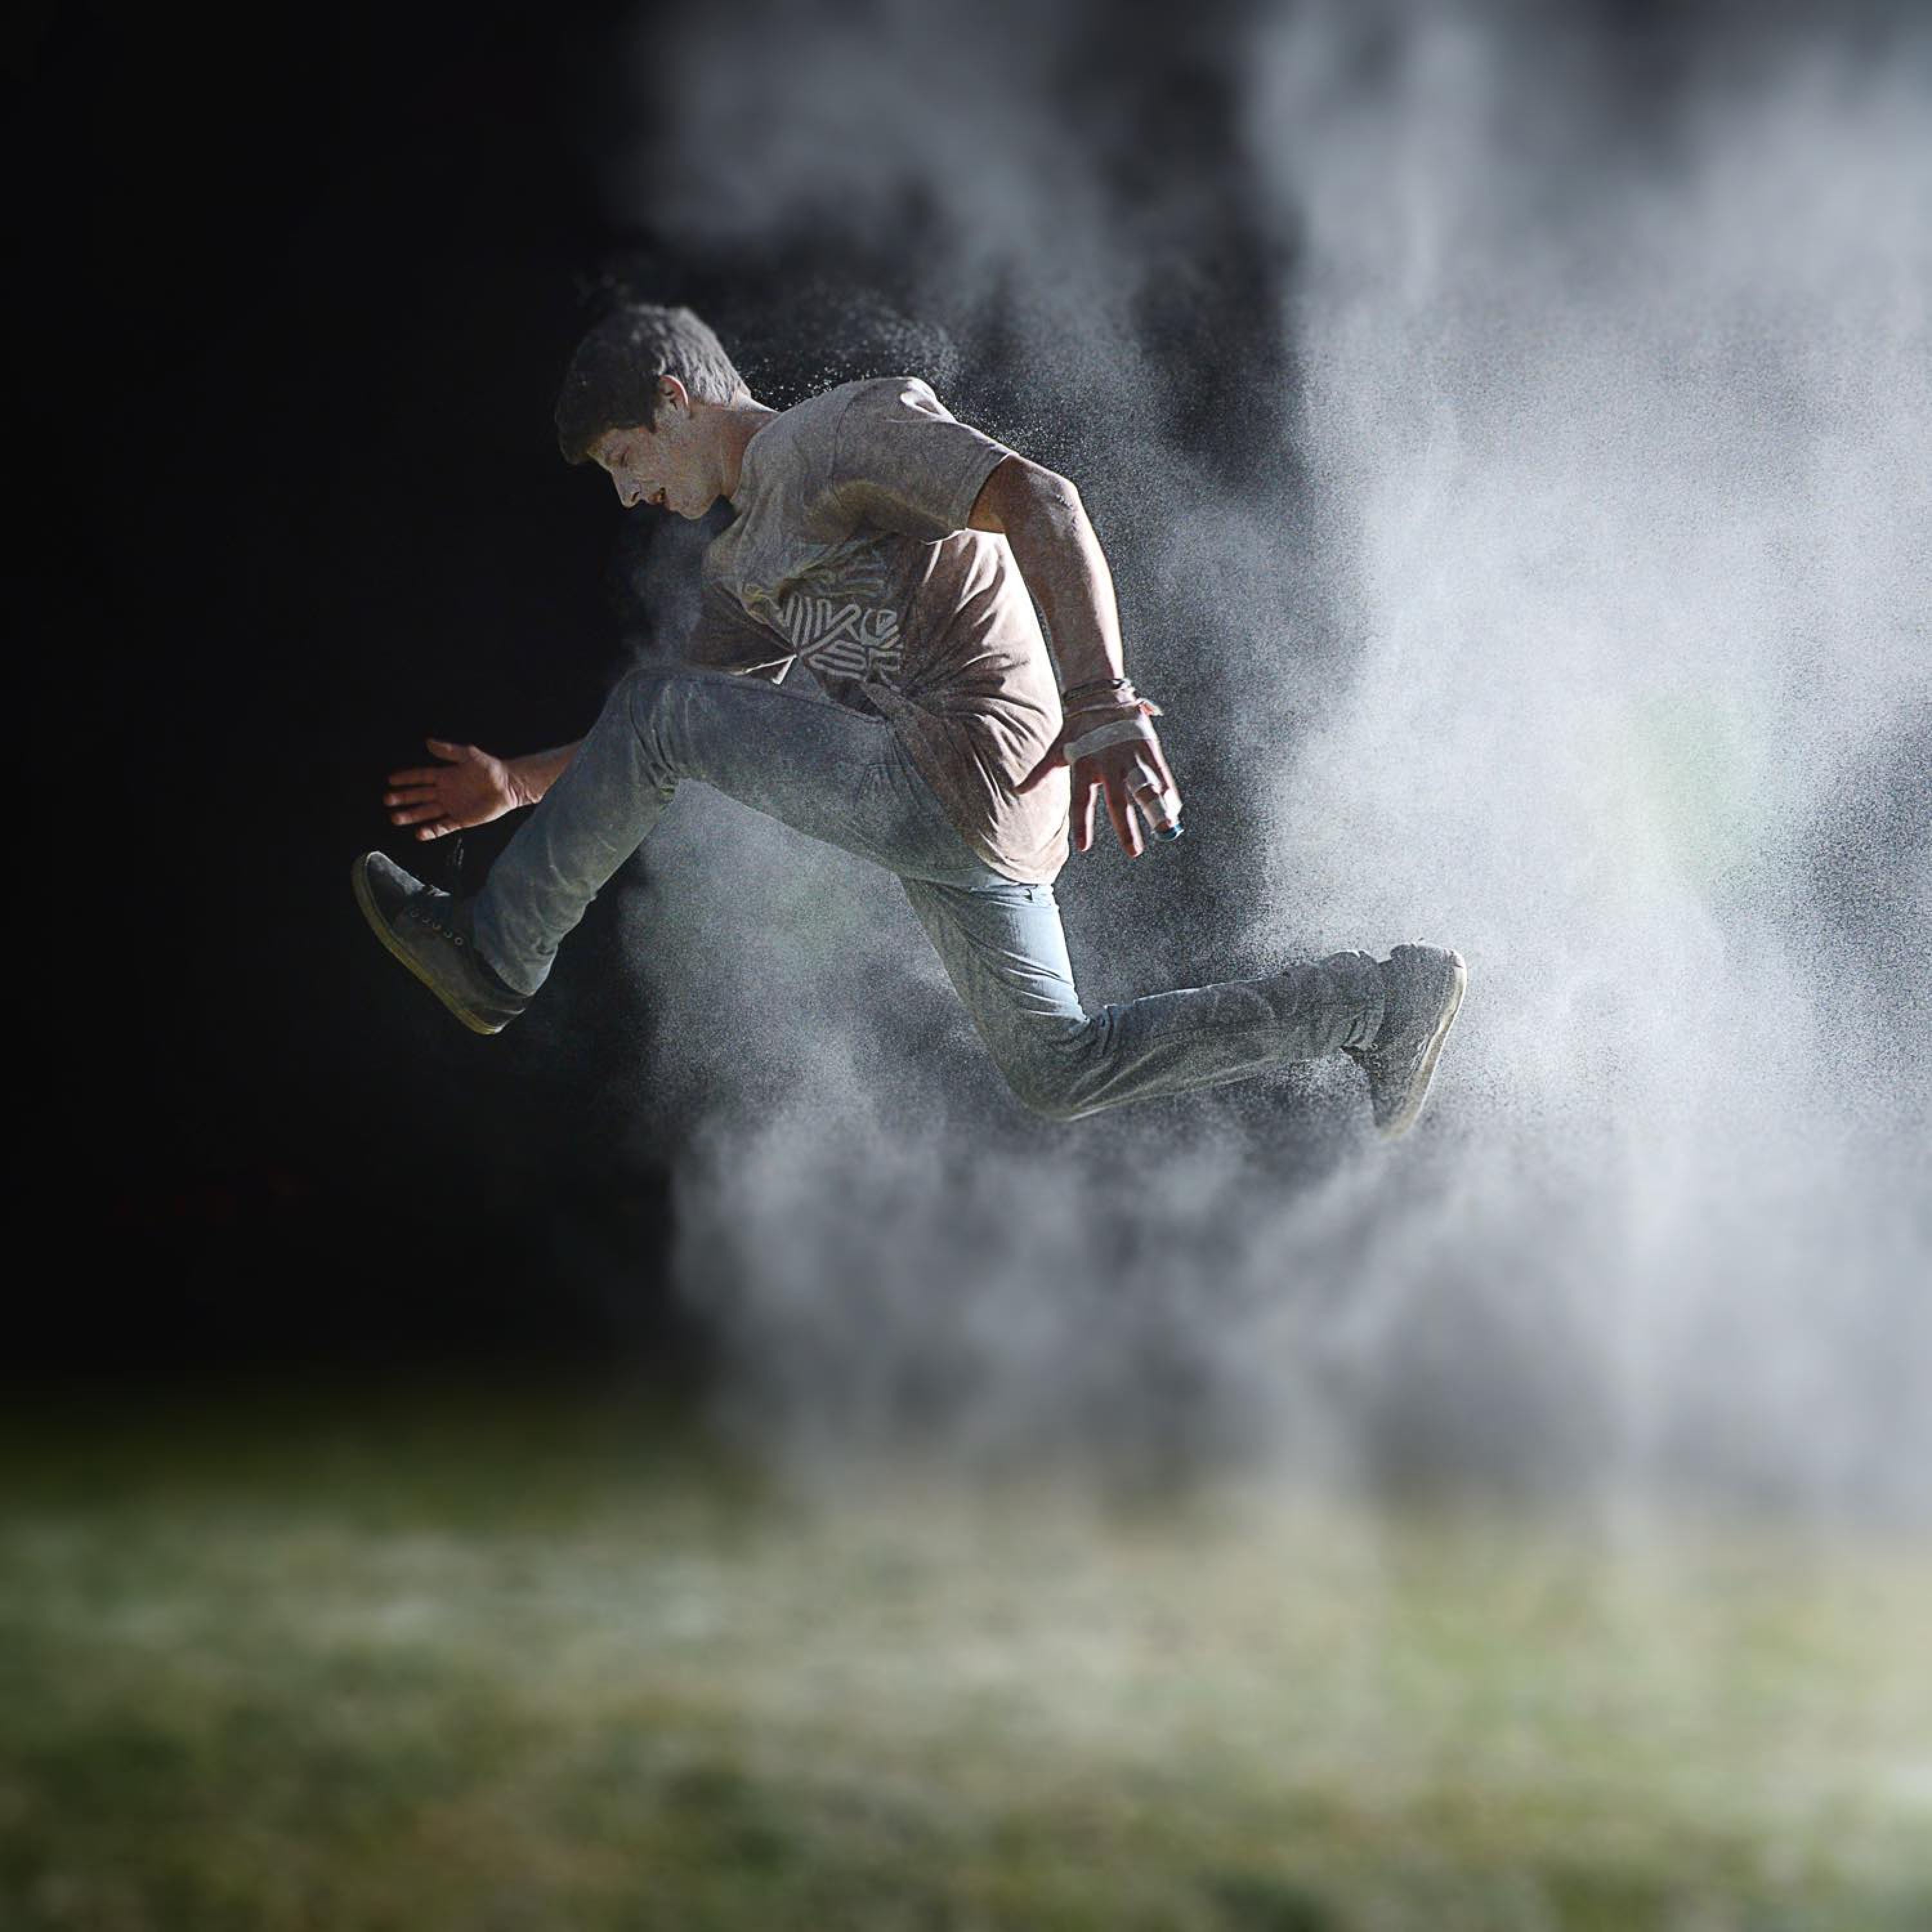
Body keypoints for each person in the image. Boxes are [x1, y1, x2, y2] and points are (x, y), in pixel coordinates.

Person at [352, 303, 1464, 1137]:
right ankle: (1379, 1004)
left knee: (657, 710)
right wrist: (516, 785)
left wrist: (1101, 704)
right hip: (973, 819)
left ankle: (497, 958)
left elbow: (1043, 501)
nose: (626, 493)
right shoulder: (745, 569)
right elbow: (659, 746)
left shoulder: (840, 434)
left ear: (675, 400)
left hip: (972, 764)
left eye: (623, 458)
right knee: (1058, 1067)